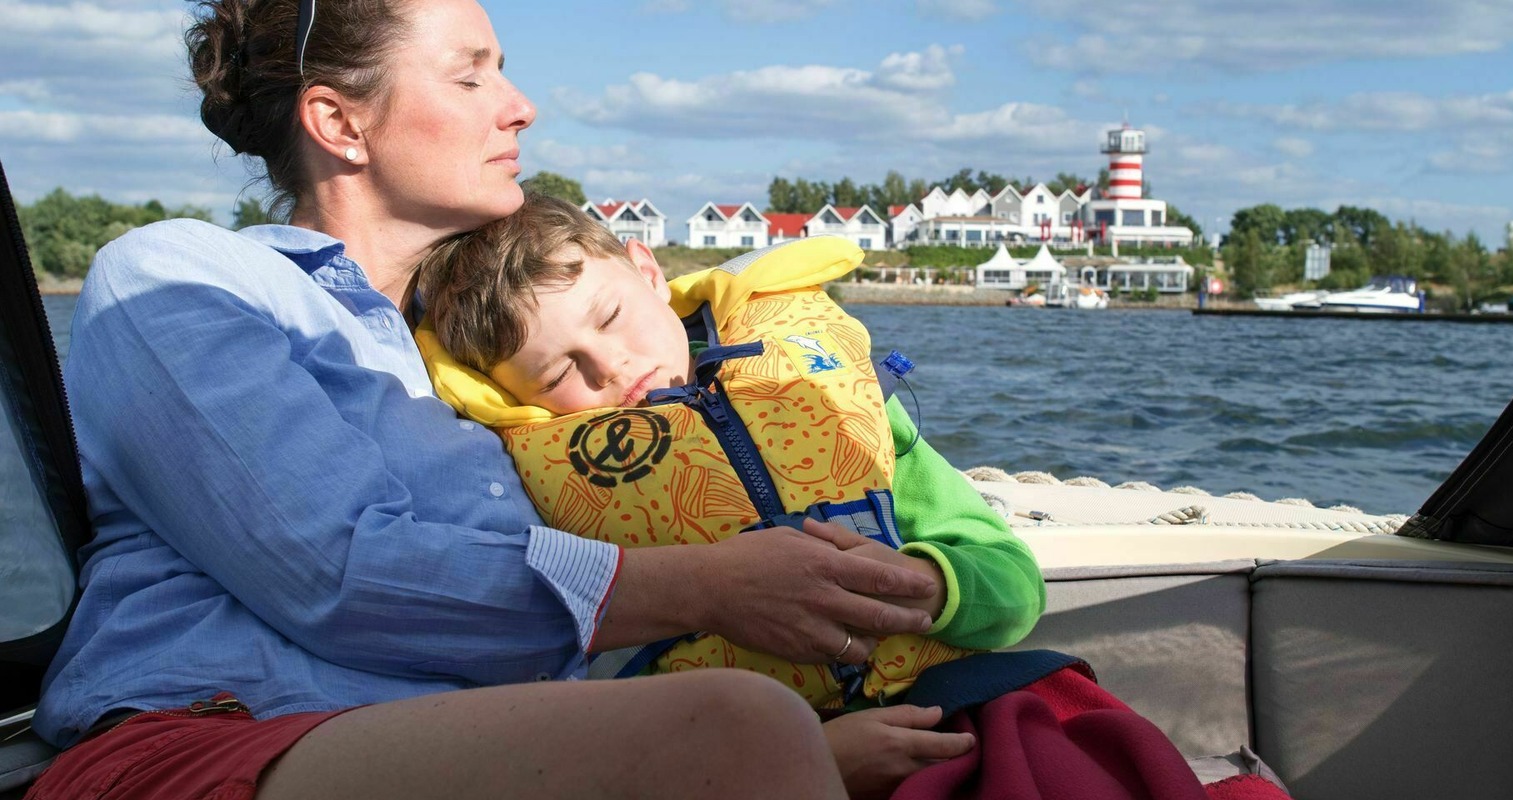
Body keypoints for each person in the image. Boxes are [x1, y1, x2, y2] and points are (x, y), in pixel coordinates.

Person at [24, 0, 976, 798]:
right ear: (340, 125)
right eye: (470, 77)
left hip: (471, 739)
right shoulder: (180, 278)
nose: (520, 109)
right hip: (209, 739)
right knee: (739, 727)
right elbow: (335, 573)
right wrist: (712, 589)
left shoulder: (499, 379)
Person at [414, 193, 1046, 709]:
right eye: (557, 374)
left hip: (946, 701)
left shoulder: (828, 392)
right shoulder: (537, 487)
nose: (611, 366)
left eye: (609, 318)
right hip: (752, 748)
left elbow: (1015, 584)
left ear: (648, 272)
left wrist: (933, 587)